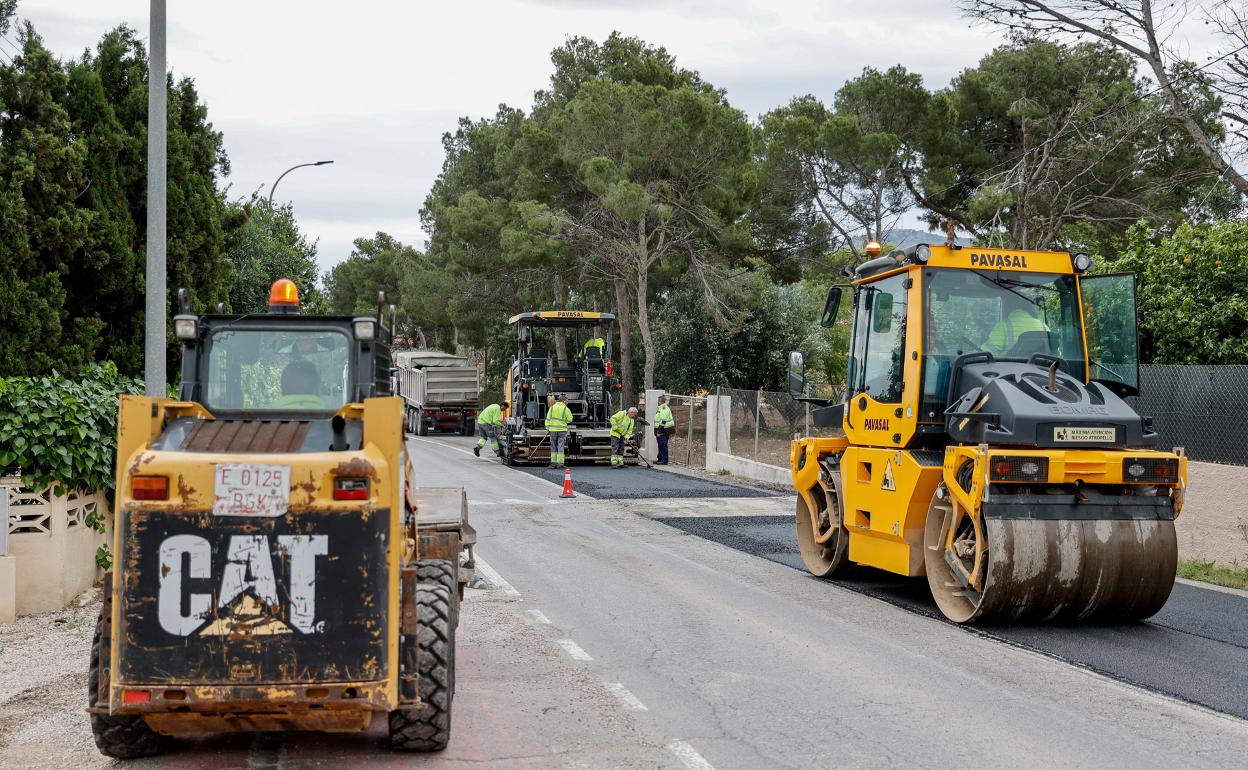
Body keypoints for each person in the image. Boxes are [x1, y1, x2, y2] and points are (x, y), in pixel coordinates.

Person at [545, 394, 573, 468]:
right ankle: (560, 464)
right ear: (563, 401)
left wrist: (547, 429)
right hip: (562, 430)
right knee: (560, 446)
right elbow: (570, 420)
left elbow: (547, 419)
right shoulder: (565, 409)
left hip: (553, 431)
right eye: (567, 400)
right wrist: (564, 421)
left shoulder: (552, 408)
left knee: (553, 447)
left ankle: (553, 464)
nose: (568, 402)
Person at [653, 395, 675, 465]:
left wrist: (659, 431)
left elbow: (663, 421)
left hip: (664, 430)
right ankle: (660, 458)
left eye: (658, 400)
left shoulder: (664, 408)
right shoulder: (660, 408)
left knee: (662, 444)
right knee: (660, 444)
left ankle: (664, 460)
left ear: (660, 401)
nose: (657, 402)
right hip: (662, 429)